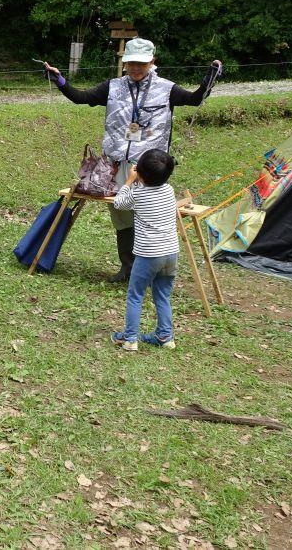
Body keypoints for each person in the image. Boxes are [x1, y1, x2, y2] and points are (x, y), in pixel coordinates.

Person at [44, 38, 221, 282]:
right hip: (116, 164)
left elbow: (195, 99)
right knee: (122, 215)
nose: (136, 68)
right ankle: (128, 268)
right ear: (124, 63)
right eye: (131, 64)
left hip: (149, 167)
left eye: (142, 64)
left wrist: (208, 81)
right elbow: (80, 97)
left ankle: (149, 270)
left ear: (152, 62)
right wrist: (60, 81)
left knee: (148, 216)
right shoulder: (113, 87)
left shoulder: (166, 88)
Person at [109, 149, 180, 352]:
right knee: (162, 295)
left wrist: (129, 181)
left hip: (149, 254)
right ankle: (165, 336)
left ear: (139, 172)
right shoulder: (169, 190)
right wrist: (139, 178)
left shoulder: (138, 193)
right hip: (170, 253)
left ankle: (130, 338)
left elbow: (119, 203)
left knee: (135, 295)